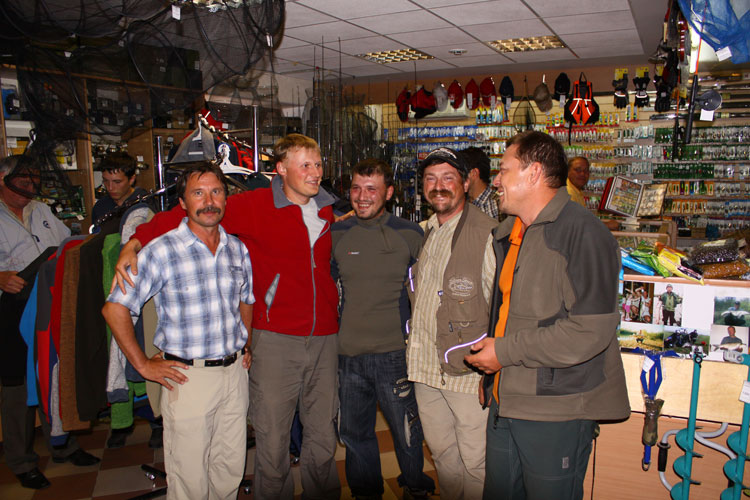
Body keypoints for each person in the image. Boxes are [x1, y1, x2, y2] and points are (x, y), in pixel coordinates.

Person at [113, 134, 340, 500]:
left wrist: (243, 341)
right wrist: (134, 242)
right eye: (305, 165)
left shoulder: (327, 208)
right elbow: (187, 213)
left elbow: (255, 293)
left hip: (324, 337)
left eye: (317, 164)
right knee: (273, 441)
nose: (314, 173)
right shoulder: (253, 204)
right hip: (276, 337)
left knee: (322, 434)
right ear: (281, 170)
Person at [465, 131, 630, 500]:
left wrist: (503, 352)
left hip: (557, 410)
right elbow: (508, 313)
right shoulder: (509, 233)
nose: (495, 181)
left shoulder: (583, 234)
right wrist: (492, 378)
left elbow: (589, 332)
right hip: (507, 400)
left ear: (534, 173)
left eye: (504, 170)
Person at [103, 162, 253, 499]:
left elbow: (247, 299)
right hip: (187, 378)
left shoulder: (237, 248)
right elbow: (114, 309)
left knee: (229, 470)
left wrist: (246, 343)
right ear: (183, 203)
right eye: (198, 193)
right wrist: (143, 365)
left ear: (226, 198)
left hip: (234, 376)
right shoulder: (161, 251)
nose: (209, 201)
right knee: (189, 479)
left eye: (216, 192)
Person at [331, 159, 435, 499]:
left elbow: (428, 290)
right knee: (355, 433)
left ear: (388, 193)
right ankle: (365, 492)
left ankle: (415, 487)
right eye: (356, 188)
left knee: (407, 432)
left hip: (395, 355)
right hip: (348, 355)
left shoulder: (410, 234)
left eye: (371, 189)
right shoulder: (336, 234)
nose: (362, 197)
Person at [0, 155, 100, 490]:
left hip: (47, 303)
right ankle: (21, 461)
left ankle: (63, 445)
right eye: (22, 182)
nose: (29, 188)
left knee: (53, 374)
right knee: (17, 390)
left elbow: (65, 244)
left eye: (34, 181)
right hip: (9, 312)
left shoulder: (41, 210)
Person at [406, 147, 497, 500]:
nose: (438, 186)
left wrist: (492, 372)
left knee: (476, 462)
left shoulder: (487, 234)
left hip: (467, 372)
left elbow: (500, 307)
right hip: (426, 369)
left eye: (447, 177)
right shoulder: (425, 232)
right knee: (443, 455)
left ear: (465, 183)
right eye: (430, 179)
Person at [91, 151, 148, 223]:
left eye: (117, 182)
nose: (110, 188)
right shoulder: (100, 207)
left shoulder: (145, 204)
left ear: (131, 179)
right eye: (105, 181)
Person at [460, 146, 501, 220]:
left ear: (474, 173)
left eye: (460, 172)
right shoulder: (463, 203)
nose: (456, 177)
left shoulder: (496, 206)